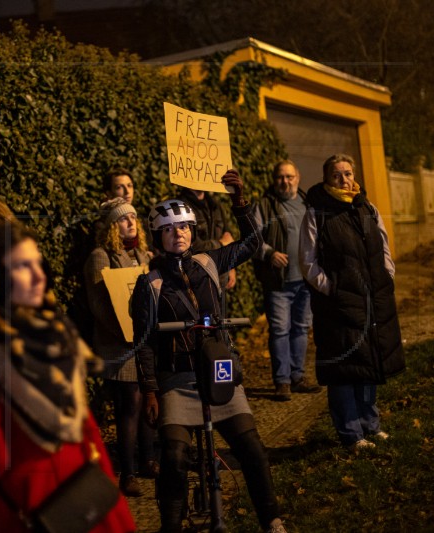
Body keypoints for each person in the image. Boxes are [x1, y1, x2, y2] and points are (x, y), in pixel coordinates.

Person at [0, 221, 136, 533]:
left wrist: (107, 485)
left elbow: (84, 424)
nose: (38, 275)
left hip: (85, 491)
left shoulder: (49, 328)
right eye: (21, 266)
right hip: (26, 506)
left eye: (37, 262)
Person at [131, 171, 286, 533]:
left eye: (184, 227)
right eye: (169, 230)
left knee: (250, 447)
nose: (178, 233)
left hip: (218, 368)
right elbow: (145, 342)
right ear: (159, 237)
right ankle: (170, 526)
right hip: (177, 377)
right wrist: (151, 389)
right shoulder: (149, 284)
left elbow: (252, 242)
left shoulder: (210, 262)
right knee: (173, 455)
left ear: (192, 230)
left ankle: (272, 520)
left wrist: (239, 200)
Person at [299, 154, 405, 452]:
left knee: (368, 363)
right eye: (337, 175)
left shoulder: (367, 208)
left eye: (347, 173)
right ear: (326, 179)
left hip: (372, 300)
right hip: (338, 306)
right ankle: (350, 434)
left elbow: (384, 248)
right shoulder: (317, 213)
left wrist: (386, 277)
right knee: (345, 370)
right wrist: (332, 289)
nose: (344, 180)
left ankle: (371, 426)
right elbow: (308, 264)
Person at [83, 197, 157, 497]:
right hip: (120, 344)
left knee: (148, 399)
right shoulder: (100, 257)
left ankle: (148, 460)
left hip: (144, 342)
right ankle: (127, 472)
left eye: (135, 218)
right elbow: (100, 306)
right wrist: (127, 333)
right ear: (113, 225)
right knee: (129, 406)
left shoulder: (142, 254)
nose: (132, 223)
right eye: (125, 219)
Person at [253, 160, 320, 401]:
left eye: (289, 177)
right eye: (281, 177)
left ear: (298, 177)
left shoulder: (307, 203)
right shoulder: (264, 205)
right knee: (280, 330)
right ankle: (282, 381)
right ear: (274, 179)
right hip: (278, 282)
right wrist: (269, 253)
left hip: (305, 280)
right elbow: (253, 238)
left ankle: (297, 377)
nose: (285, 181)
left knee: (301, 328)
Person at [178, 186, 237, 290]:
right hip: (197, 279)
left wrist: (231, 266)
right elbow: (190, 246)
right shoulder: (181, 207)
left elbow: (228, 237)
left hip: (220, 278)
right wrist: (220, 244)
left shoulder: (215, 205)